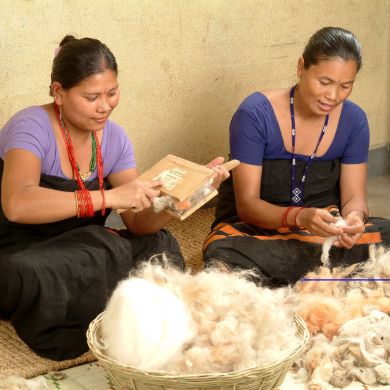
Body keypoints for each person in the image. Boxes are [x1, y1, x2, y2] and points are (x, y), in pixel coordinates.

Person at [0, 35, 228, 360]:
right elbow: (18, 205)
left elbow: (138, 222)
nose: (105, 105)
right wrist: (109, 197)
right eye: (91, 96)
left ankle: (115, 311)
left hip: (80, 246)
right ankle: (103, 312)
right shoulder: (30, 126)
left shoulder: (114, 138)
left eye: (112, 92)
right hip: (20, 249)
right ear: (58, 93)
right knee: (33, 272)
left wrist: (188, 194)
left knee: (161, 246)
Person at [203, 27, 390, 287]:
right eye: (324, 82)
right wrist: (299, 217)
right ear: (301, 67)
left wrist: (354, 220)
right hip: (257, 229)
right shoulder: (255, 114)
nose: (333, 96)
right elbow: (247, 205)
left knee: (385, 235)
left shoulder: (354, 120)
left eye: (345, 86)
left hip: (324, 226)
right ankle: (328, 276)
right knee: (225, 255)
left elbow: (353, 198)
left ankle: (308, 274)